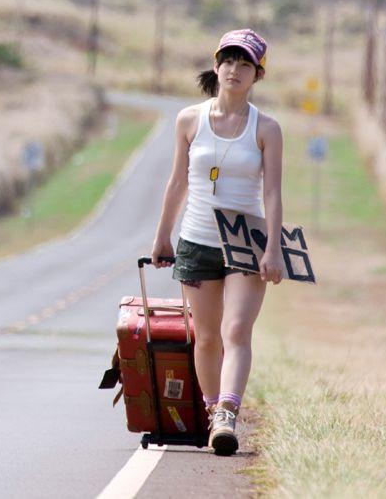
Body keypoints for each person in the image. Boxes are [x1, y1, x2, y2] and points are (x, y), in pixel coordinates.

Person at [150, 28, 283, 457]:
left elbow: (273, 193)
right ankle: (212, 414)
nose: (234, 70)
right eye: (228, 60)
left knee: (237, 329)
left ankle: (228, 412)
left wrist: (273, 249)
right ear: (216, 65)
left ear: (257, 74)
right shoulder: (189, 119)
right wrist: (162, 238)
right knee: (206, 338)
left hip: (246, 243)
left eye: (245, 64)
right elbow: (176, 183)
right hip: (197, 239)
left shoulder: (267, 128)